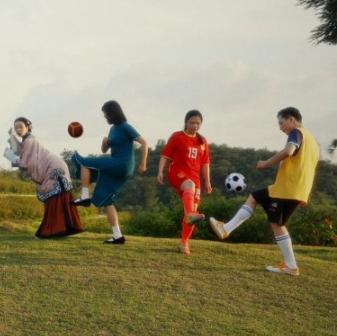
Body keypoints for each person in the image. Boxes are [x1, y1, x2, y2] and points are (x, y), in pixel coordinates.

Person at [209, 107, 320, 276]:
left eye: (281, 123)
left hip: (287, 189)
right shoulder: (313, 141)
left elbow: (288, 151)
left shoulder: (297, 132)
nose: (280, 127)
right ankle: (290, 266)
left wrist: (265, 163)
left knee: (275, 221)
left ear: (291, 119)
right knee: (258, 200)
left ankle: (290, 266)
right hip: (297, 189)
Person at [71, 100, 149, 244]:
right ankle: (117, 235)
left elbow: (144, 142)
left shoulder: (125, 127)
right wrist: (104, 143)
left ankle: (85, 196)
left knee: (83, 162)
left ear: (112, 113)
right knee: (107, 200)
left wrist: (143, 163)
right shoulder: (113, 129)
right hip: (117, 166)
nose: (104, 116)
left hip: (122, 164)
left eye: (105, 113)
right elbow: (104, 151)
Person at [6, 117, 83, 239]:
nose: (18, 130)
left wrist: (11, 158)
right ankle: (63, 229)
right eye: (16, 128)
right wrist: (12, 137)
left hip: (54, 169)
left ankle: (51, 231)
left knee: (54, 198)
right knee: (57, 199)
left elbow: (24, 163)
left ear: (28, 127)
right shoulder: (27, 141)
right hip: (53, 167)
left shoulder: (30, 141)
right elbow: (20, 150)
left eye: (21, 127)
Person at [156, 109, 211, 254]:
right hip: (177, 172)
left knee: (192, 210)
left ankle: (184, 243)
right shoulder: (177, 137)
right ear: (186, 123)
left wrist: (208, 182)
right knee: (189, 186)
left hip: (195, 178)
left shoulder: (203, 141)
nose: (195, 126)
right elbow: (165, 156)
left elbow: (205, 163)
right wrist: (160, 171)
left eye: (198, 123)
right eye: (192, 122)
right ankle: (190, 215)